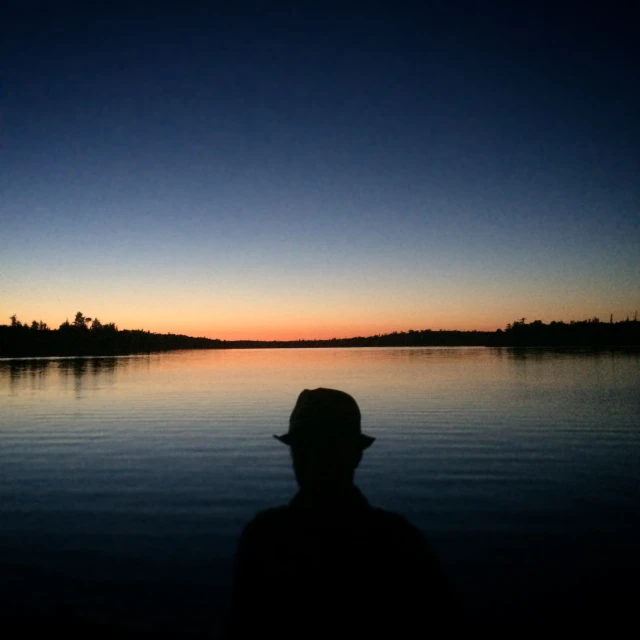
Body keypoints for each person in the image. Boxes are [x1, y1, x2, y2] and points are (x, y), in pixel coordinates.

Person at [226, 388, 460, 637]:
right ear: (357, 454)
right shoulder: (399, 540)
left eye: (326, 448)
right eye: (306, 448)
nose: (315, 459)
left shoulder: (264, 537)